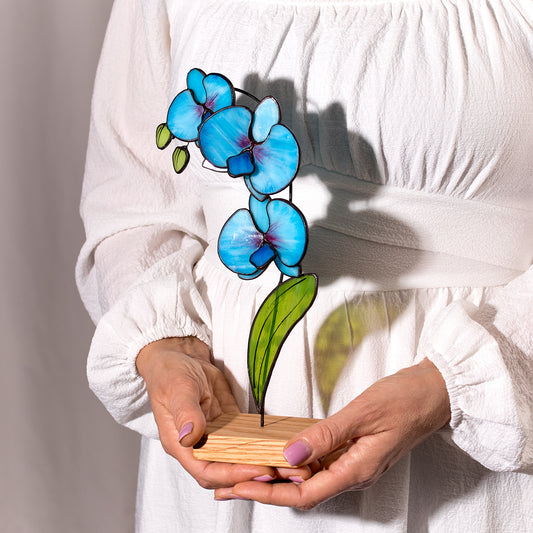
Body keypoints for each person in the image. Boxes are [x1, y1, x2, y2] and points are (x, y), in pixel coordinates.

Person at [76, 0, 533, 531]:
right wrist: (164, 347)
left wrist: (458, 385)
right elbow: (133, 196)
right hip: (228, 429)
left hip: (473, 445)